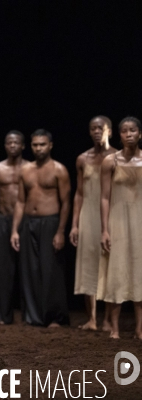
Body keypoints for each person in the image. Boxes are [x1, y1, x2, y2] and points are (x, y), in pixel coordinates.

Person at [11, 130, 70, 328]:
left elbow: (66, 203)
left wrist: (61, 231)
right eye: (35, 144)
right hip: (29, 222)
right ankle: (33, 316)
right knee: (30, 270)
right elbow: (20, 201)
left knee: (51, 270)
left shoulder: (59, 170)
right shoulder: (25, 170)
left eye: (42, 144)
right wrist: (14, 230)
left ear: (50, 145)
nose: (38, 148)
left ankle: (55, 317)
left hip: (50, 222)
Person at [97, 116, 142, 340]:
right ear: (119, 134)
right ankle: (114, 327)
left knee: (139, 270)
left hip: (140, 221)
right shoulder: (110, 161)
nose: (129, 134)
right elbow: (104, 197)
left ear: (140, 134)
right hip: (117, 220)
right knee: (116, 271)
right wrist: (105, 229)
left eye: (133, 130)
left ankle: (139, 328)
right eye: (124, 131)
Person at [70, 116, 116, 331]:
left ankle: (107, 319)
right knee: (88, 263)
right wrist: (74, 224)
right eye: (93, 128)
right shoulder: (82, 159)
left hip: (112, 214)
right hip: (88, 213)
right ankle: (92, 319)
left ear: (110, 130)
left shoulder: (117, 156)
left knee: (108, 264)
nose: (97, 131)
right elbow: (79, 193)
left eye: (101, 127)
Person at [0, 131, 27, 324]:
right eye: (9, 142)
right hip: (3, 220)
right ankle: (3, 315)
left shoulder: (29, 168)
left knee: (28, 269)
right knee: (3, 269)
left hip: (25, 220)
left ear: (22, 146)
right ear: (5, 145)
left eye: (16, 142)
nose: (12, 145)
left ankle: (30, 315)